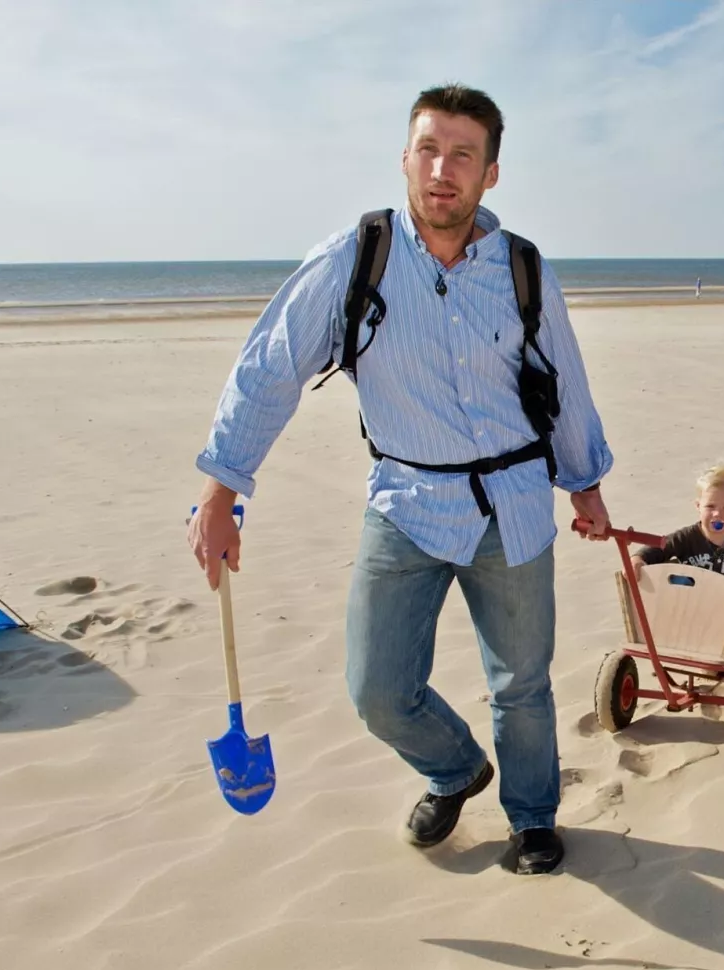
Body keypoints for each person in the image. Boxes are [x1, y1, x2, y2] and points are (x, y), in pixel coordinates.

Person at [187, 84, 614, 876]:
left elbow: (565, 381)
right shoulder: (356, 259)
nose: (442, 169)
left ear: (490, 174)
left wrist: (584, 482)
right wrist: (222, 487)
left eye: (462, 155)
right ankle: (455, 769)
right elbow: (271, 368)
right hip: (407, 504)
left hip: (513, 506)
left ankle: (533, 818)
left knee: (521, 684)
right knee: (377, 688)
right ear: (405, 158)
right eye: (428, 149)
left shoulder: (522, 267)